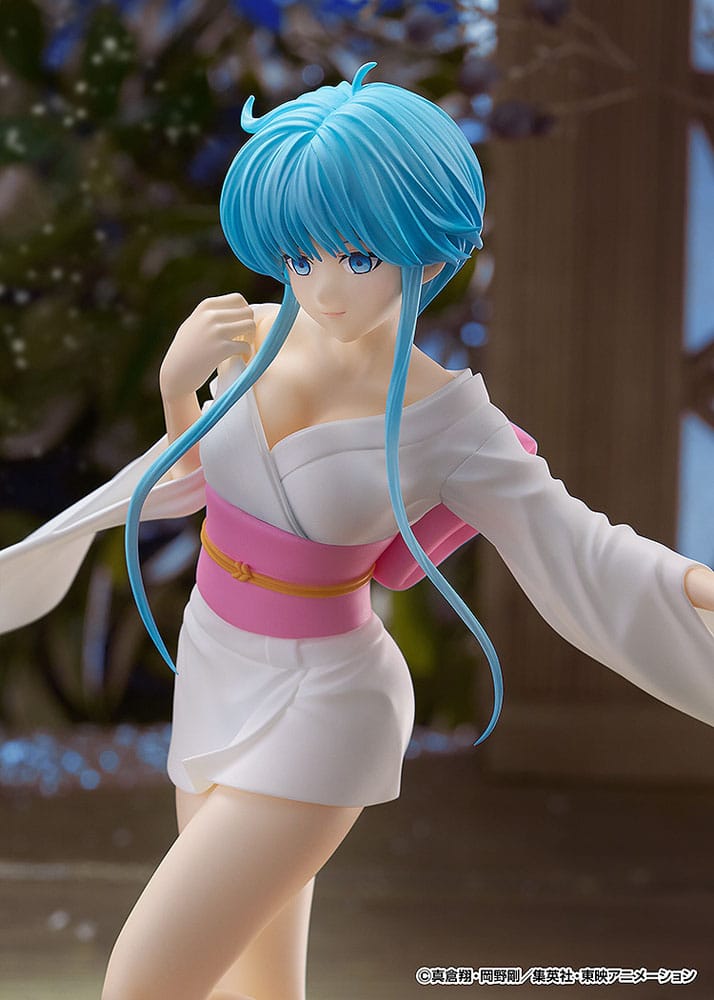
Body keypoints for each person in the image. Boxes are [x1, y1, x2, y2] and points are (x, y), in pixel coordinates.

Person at [1, 63, 713, 1000]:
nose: (324, 288)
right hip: (217, 665)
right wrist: (178, 389)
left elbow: (576, 544)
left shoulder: (452, 422)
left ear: (428, 249)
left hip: (326, 703)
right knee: (260, 986)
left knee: (144, 981)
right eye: (302, 258)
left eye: (359, 258)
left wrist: (694, 586)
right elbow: (189, 482)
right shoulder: (248, 339)